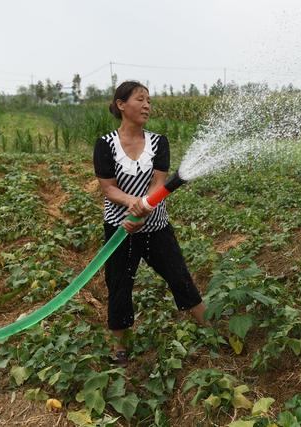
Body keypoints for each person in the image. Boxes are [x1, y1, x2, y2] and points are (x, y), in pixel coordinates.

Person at [93, 81, 209, 366]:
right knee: (119, 284)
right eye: (139, 99)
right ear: (121, 105)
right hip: (120, 229)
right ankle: (119, 346)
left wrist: (142, 211)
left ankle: (211, 329)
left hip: (155, 226)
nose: (147, 105)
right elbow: (108, 188)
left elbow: (158, 184)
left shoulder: (159, 142)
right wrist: (131, 208)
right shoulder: (105, 144)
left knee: (179, 276)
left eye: (149, 100)